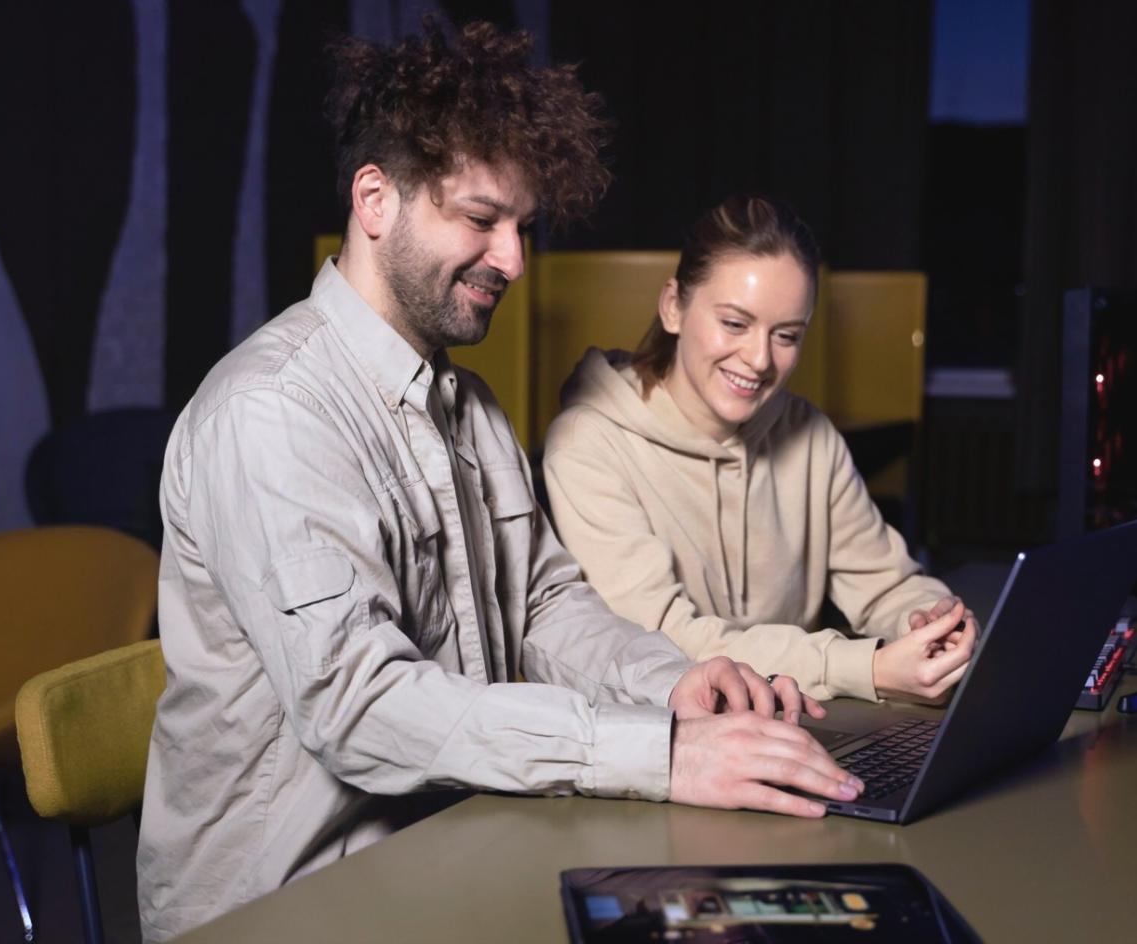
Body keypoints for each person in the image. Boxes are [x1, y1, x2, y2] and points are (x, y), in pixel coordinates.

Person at [136, 25, 862, 942]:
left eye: (523, 227)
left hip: (448, 842)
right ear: (374, 200)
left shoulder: (467, 406)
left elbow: (546, 605)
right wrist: (656, 752)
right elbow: (359, 707)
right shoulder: (273, 413)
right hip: (286, 905)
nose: (513, 260)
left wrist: (676, 684)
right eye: (481, 220)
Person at [543, 195, 978, 706]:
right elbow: (660, 642)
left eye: (786, 335)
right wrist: (870, 667)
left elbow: (885, 585)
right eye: (734, 323)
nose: (758, 359)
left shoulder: (809, 435)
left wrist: (933, 622)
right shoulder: (588, 443)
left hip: (799, 722)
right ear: (673, 306)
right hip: (661, 743)